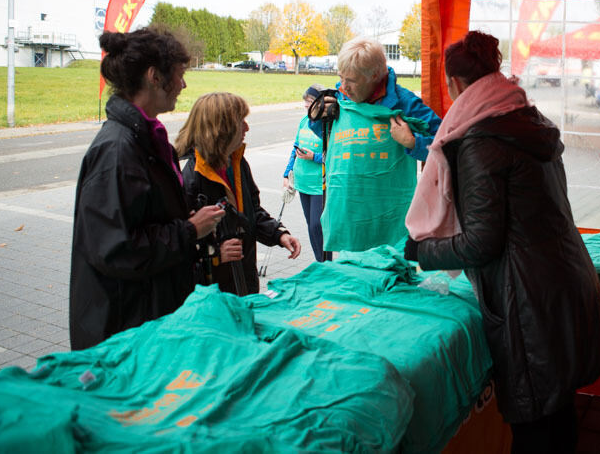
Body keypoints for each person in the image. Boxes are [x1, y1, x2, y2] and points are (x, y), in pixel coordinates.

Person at [404, 31, 600, 454]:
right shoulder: (525, 120)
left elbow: (482, 242)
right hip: (561, 281)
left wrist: (421, 251)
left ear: (456, 85)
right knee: (559, 418)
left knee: (535, 431)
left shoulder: (482, 141)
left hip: (529, 301)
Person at [70, 28, 225, 350]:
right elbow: (115, 249)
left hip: (147, 313)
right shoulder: (117, 150)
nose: (184, 85)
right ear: (155, 76)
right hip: (125, 330)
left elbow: (147, 216)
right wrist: (187, 231)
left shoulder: (144, 138)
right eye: (180, 75)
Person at [308, 36, 442, 251]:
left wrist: (412, 142)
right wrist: (316, 119)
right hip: (348, 222)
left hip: (388, 223)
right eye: (341, 77)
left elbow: (447, 145)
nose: (344, 86)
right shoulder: (340, 98)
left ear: (375, 76)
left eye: (351, 80)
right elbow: (332, 139)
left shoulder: (405, 103)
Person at [175, 92, 301, 295]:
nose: (247, 127)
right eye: (241, 121)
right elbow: (176, 244)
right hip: (211, 297)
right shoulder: (188, 177)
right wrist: (214, 255)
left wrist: (278, 234)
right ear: (221, 128)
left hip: (243, 282)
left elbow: (251, 212)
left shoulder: (237, 162)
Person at [283, 85, 331, 262]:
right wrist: (287, 173)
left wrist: (314, 157)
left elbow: (334, 154)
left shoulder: (328, 125)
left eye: (309, 102)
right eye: (305, 101)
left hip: (320, 184)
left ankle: (326, 263)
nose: (305, 105)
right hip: (302, 182)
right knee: (311, 227)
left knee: (318, 226)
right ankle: (321, 262)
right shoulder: (304, 121)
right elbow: (294, 147)